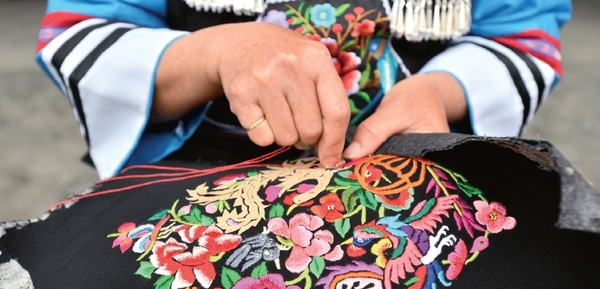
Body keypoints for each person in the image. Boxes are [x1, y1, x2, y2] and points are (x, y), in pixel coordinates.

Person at [35, 0, 570, 179]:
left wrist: (440, 90)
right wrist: (215, 55)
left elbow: (524, 40)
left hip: (408, 181)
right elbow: (81, 35)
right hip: (196, 178)